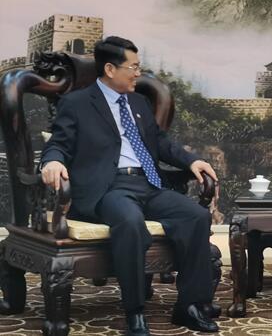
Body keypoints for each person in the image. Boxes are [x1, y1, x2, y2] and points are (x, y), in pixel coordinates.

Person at [41, 36, 219, 336]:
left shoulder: (138, 103)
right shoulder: (77, 103)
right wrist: (53, 162)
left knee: (196, 216)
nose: (138, 73)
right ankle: (135, 311)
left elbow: (160, 142)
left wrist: (192, 161)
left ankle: (189, 306)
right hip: (108, 188)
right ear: (110, 69)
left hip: (147, 183)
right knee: (130, 220)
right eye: (133, 67)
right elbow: (59, 143)